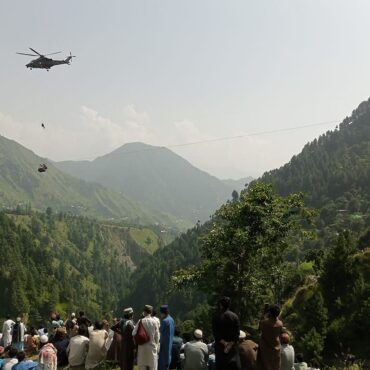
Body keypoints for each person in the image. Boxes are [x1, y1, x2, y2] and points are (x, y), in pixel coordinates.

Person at [212, 297, 241, 370]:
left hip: (220, 348)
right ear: (229, 305)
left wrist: (225, 343)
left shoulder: (216, 316)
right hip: (232, 348)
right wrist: (230, 345)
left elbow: (215, 334)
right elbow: (237, 334)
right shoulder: (235, 317)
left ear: (221, 305)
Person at [132, 305, 160, 370]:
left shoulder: (140, 321)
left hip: (142, 347)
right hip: (152, 347)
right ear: (151, 312)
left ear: (144, 312)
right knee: (153, 367)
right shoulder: (155, 322)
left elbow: (133, 333)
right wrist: (156, 345)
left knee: (142, 367)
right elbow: (157, 336)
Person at [256, 304, 283, 370]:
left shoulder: (264, 323)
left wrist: (264, 314)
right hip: (276, 349)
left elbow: (259, 330)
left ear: (269, 312)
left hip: (265, 350)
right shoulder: (280, 324)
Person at [158, 305, 175, 370]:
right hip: (170, 345)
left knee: (162, 365)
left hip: (164, 346)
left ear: (162, 312)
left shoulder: (165, 321)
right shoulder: (171, 319)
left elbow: (160, 332)